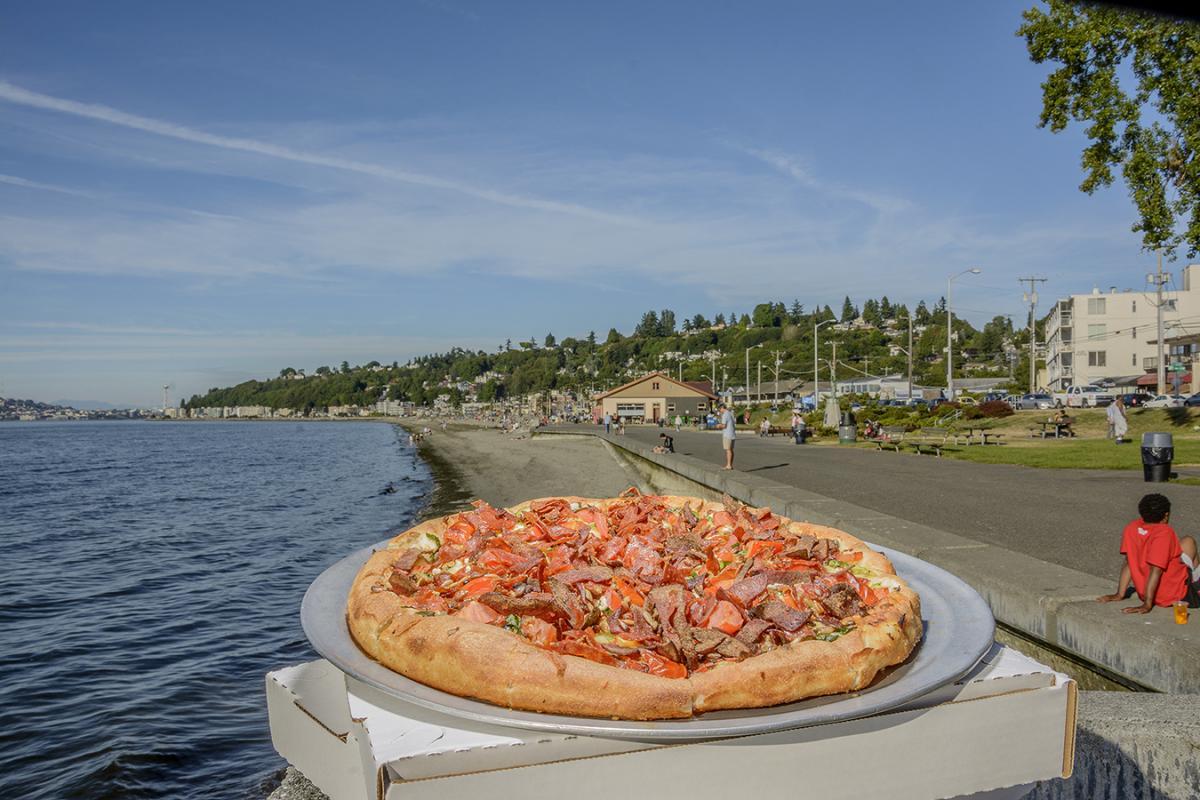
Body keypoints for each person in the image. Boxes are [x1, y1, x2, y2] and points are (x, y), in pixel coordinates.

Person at [1097, 493, 1200, 613]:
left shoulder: (1132, 527)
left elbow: (1129, 562)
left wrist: (1119, 594)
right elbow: (1156, 570)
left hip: (1144, 593)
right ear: (1166, 515)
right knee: (1189, 543)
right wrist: (1147, 604)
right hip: (1175, 595)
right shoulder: (1165, 532)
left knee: (1186, 542)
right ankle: (1196, 587)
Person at [720, 403, 736, 470]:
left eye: (720, 409)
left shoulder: (725, 414)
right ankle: (730, 465)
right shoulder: (730, 413)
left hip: (727, 434)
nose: (720, 411)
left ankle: (728, 465)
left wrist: (718, 426)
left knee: (728, 450)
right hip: (732, 434)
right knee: (731, 450)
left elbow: (724, 425)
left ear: (722, 408)